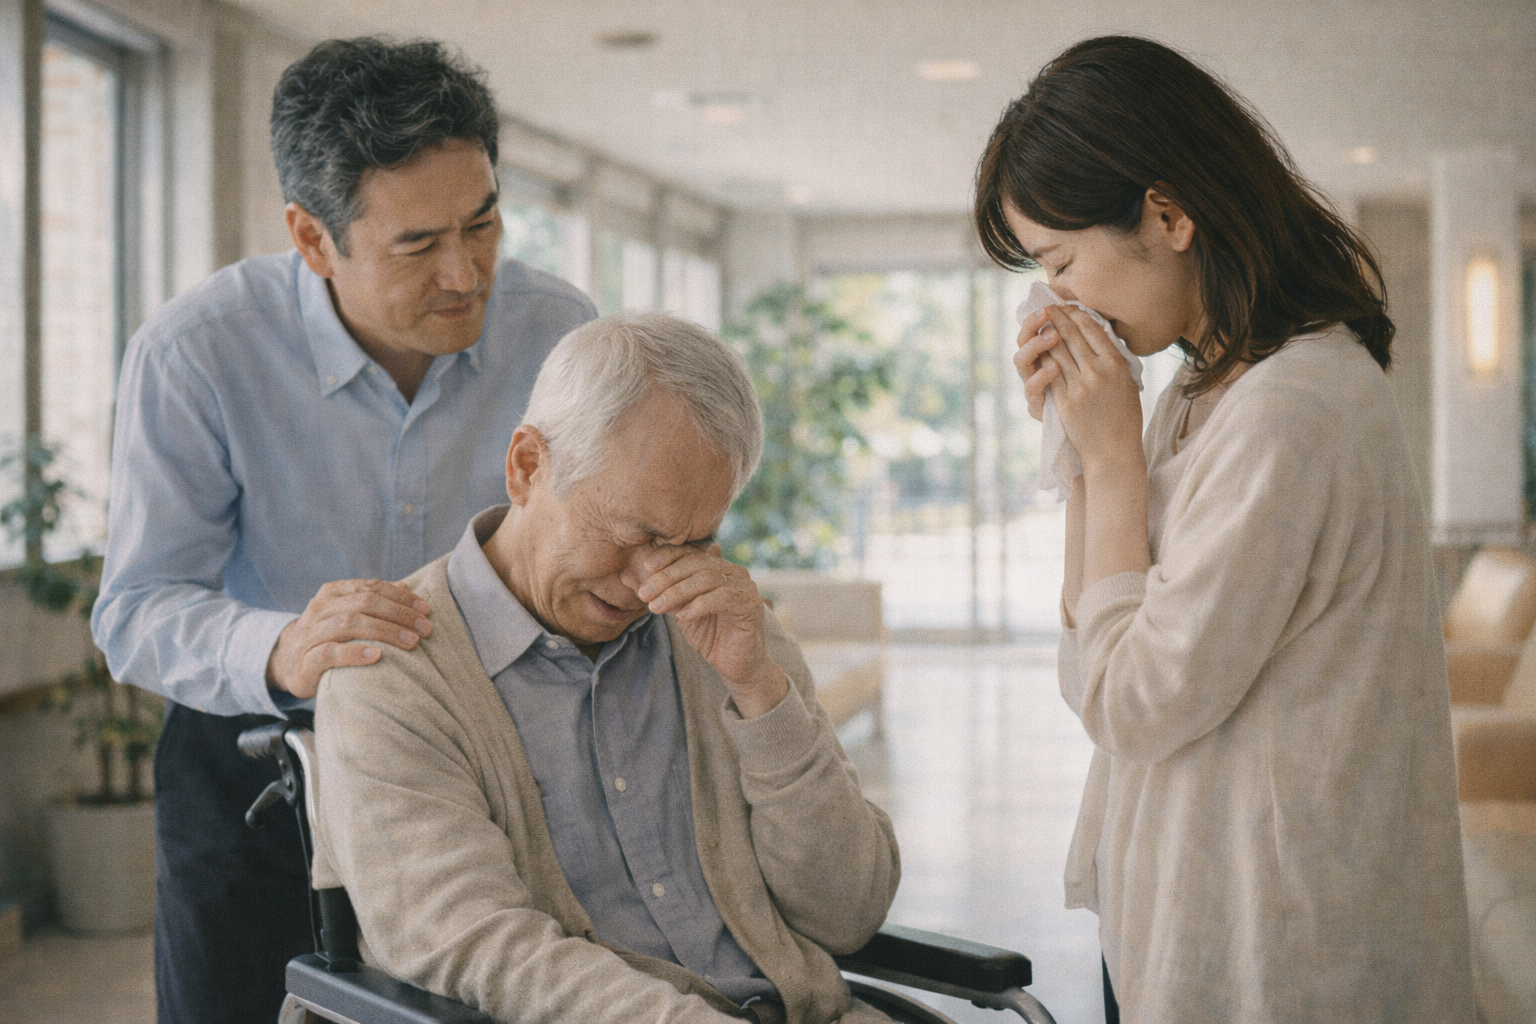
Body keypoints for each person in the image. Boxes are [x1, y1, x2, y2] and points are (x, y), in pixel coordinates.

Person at [91, 38, 595, 1024]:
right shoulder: (196, 353)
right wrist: (281, 647)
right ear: (313, 239)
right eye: (418, 244)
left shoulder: (558, 330)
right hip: (252, 773)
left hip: (482, 772)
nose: (465, 273)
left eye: (483, 223)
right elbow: (137, 609)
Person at [973, 36, 1475, 1024]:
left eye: (1062, 261)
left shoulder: (1295, 407)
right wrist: (1086, 450)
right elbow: (1093, 673)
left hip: (1284, 943)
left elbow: (1137, 702)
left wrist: (1115, 456)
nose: (1060, 299)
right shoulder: (1204, 390)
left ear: (1165, 213)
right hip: (1190, 907)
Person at [309, 312, 901, 1024]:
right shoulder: (391, 675)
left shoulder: (725, 630)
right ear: (527, 466)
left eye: (694, 541)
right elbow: (474, 944)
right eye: (637, 535)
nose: (651, 582)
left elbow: (850, 912)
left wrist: (762, 695)